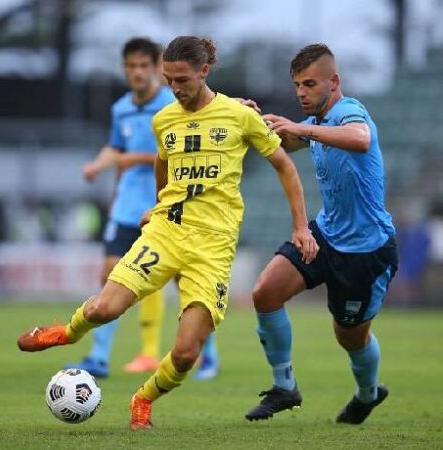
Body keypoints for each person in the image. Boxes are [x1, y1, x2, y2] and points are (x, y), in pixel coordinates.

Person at [17, 35, 318, 431]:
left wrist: (300, 226)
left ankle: (143, 398)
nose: (174, 89)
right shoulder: (164, 119)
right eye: (168, 79)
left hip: (212, 248)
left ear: (203, 71)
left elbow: (285, 166)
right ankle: (66, 334)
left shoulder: (239, 115)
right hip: (167, 232)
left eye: (181, 80)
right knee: (103, 308)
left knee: (186, 353)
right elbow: (163, 163)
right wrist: (160, 205)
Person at [245, 43, 398, 425]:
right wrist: (253, 121)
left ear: (334, 81)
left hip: (366, 250)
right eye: (297, 84)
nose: (301, 92)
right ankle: (285, 387)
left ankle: (368, 393)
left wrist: (300, 126)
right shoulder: (320, 123)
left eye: (309, 83)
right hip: (326, 235)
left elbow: (360, 138)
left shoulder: (348, 111)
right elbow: (286, 142)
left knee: (350, 337)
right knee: (265, 293)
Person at [63, 36, 219, 379]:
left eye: (144, 65)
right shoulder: (121, 108)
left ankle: (206, 354)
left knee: (183, 283)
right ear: (125, 69)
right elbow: (114, 147)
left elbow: (176, 154)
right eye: (131, 65)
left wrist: (131, 158)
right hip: (127, 204)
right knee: (109, 276)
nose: (137, 72)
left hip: (162, 203)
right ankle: (100, 356)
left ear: (156, 69)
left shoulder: (173, 103)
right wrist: (97, 165)